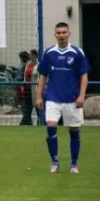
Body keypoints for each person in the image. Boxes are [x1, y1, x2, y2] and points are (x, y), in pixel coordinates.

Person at [36, 22, 88, 173]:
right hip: (53, 97)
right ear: (55, 35)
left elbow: (84, 76)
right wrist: (39, 96)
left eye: (64, 32)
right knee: (51, 126)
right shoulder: (49, 53)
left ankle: (73, 164)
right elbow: (42, 76)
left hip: (72, 98)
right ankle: (55, 162)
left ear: (69, 34)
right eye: (58, 33)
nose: (61, 35)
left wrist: (81, 96)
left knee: (74, 131)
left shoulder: (77, 53)